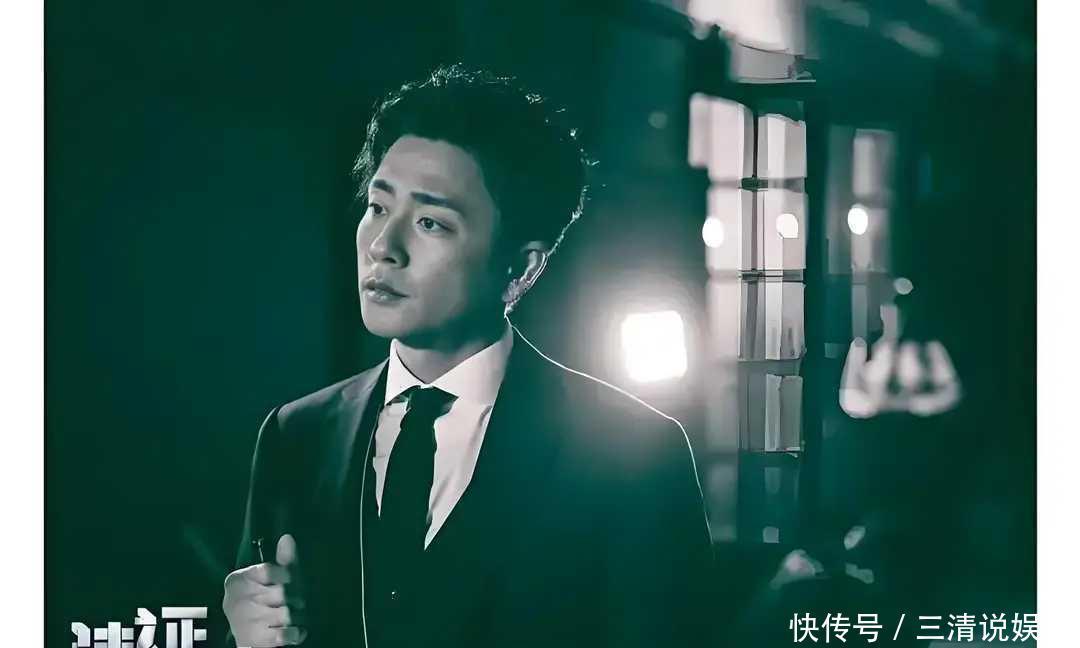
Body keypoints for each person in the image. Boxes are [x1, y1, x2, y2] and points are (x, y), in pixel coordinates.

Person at [222, 64, 713, 648]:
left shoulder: (635, 453)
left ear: (522, 268)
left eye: (431, 222)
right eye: (377, 207)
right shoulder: (297, 435)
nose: (383, 247)